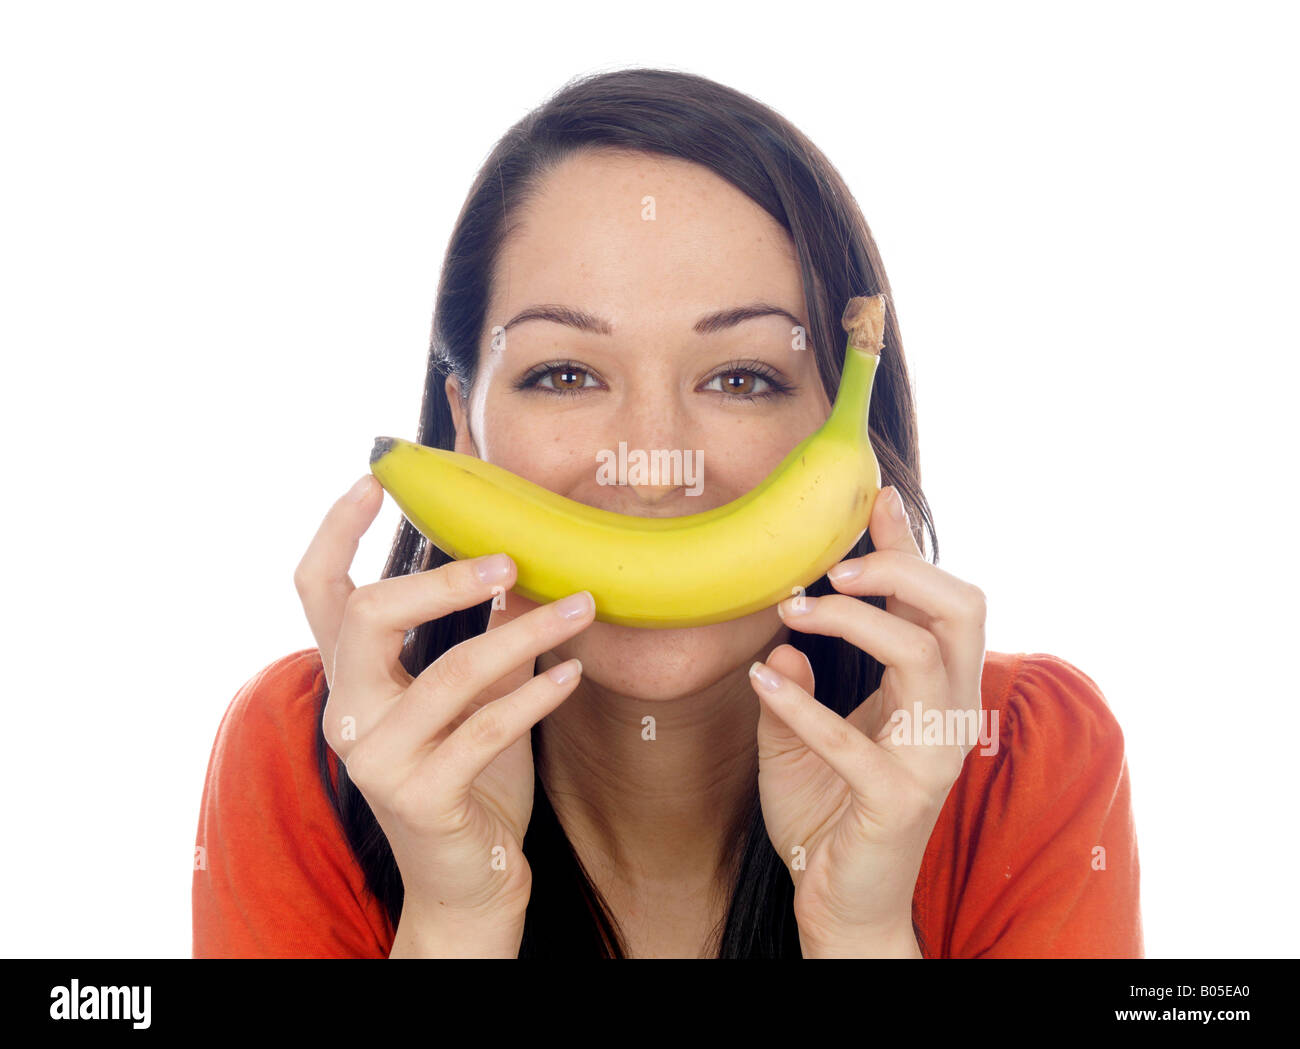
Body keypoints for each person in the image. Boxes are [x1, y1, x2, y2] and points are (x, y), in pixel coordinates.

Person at [192, 67, 1143, 958]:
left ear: (848, 443)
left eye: (742, 378)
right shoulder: (309, 759)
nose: (652, 465)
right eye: (566, 374)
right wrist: (456, 915)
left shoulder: (1024, 755)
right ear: (464, 434)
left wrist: (860, 926)